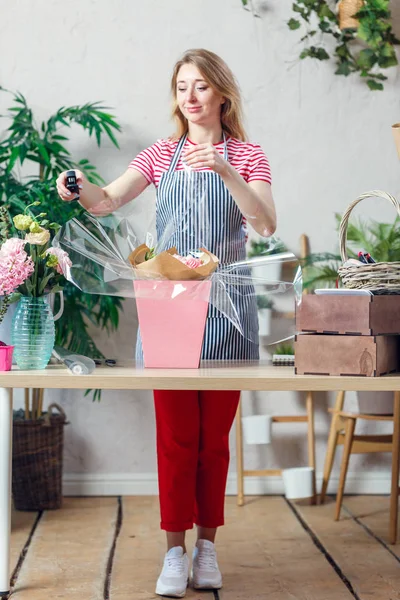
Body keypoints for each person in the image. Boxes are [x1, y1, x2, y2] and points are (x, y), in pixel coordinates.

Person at [57, 48, 276, 598]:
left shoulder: (247, 156)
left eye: (201, 86)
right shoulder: (162, 154)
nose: (191, 96)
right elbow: (106, 201)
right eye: (182, 87)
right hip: (169, 311)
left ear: (222, 94)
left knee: (214, 442)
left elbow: (266, 223)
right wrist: (77, 188)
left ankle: (208, 548)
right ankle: (174, 551)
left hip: (228, 315)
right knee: (177, 439)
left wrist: (226, 170)